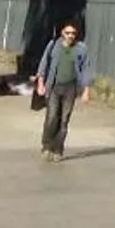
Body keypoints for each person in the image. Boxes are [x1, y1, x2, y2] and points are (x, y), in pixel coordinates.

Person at [33, 22, 89, 161]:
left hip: (70, 88)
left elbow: (85, 70)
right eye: (67, 33)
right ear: (62, 33)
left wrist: (86, 90)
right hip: (54, 87)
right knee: (52, 118)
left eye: (73, 33)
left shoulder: (81, 49)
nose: (70, 36)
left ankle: (58, 149)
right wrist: (41, 84)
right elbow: (43, 64)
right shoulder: (53, 45)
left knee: (64, 121)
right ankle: (46, 146)